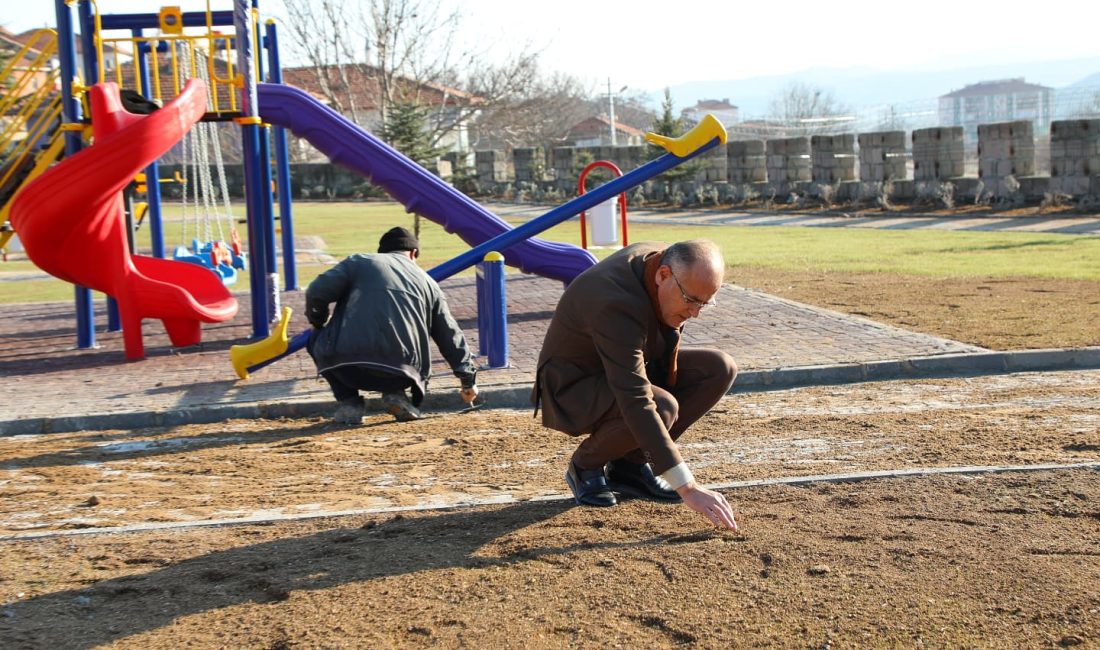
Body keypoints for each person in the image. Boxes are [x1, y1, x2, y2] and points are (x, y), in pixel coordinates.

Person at [532, 239, 739, 531]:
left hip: (618, 367)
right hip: (573, 388)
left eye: (704, 303)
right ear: (663, 275)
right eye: (691, 300)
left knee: (719, 368)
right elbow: (636, 399)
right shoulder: (613, 302)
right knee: (662, 406)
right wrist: (687, 487)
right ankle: (585, 465)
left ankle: (630, 466)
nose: (695, 313)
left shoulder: (664, 263)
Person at [305, 226, 479, 424]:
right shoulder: (430, 283)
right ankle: (395, 393)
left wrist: (318, 322)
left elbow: (316, 291)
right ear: (413, 254)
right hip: (404, 370)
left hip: (345, 364)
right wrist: (467, 380)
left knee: (315, 337)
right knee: (395, 356)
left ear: (382, 252)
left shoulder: (360, 262)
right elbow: (450, 335)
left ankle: (349, 402)